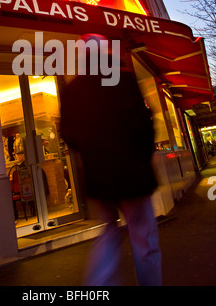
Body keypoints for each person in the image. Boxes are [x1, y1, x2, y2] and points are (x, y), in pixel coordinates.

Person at [60, 34, 162, 286]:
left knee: (108, 235)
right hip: (133, 173)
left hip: (99, 177)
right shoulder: (124, 80)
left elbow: (68, 133)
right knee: (143, 238)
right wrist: (142, 157)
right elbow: (144, 125)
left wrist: (91, 154)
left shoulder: (73, 89)